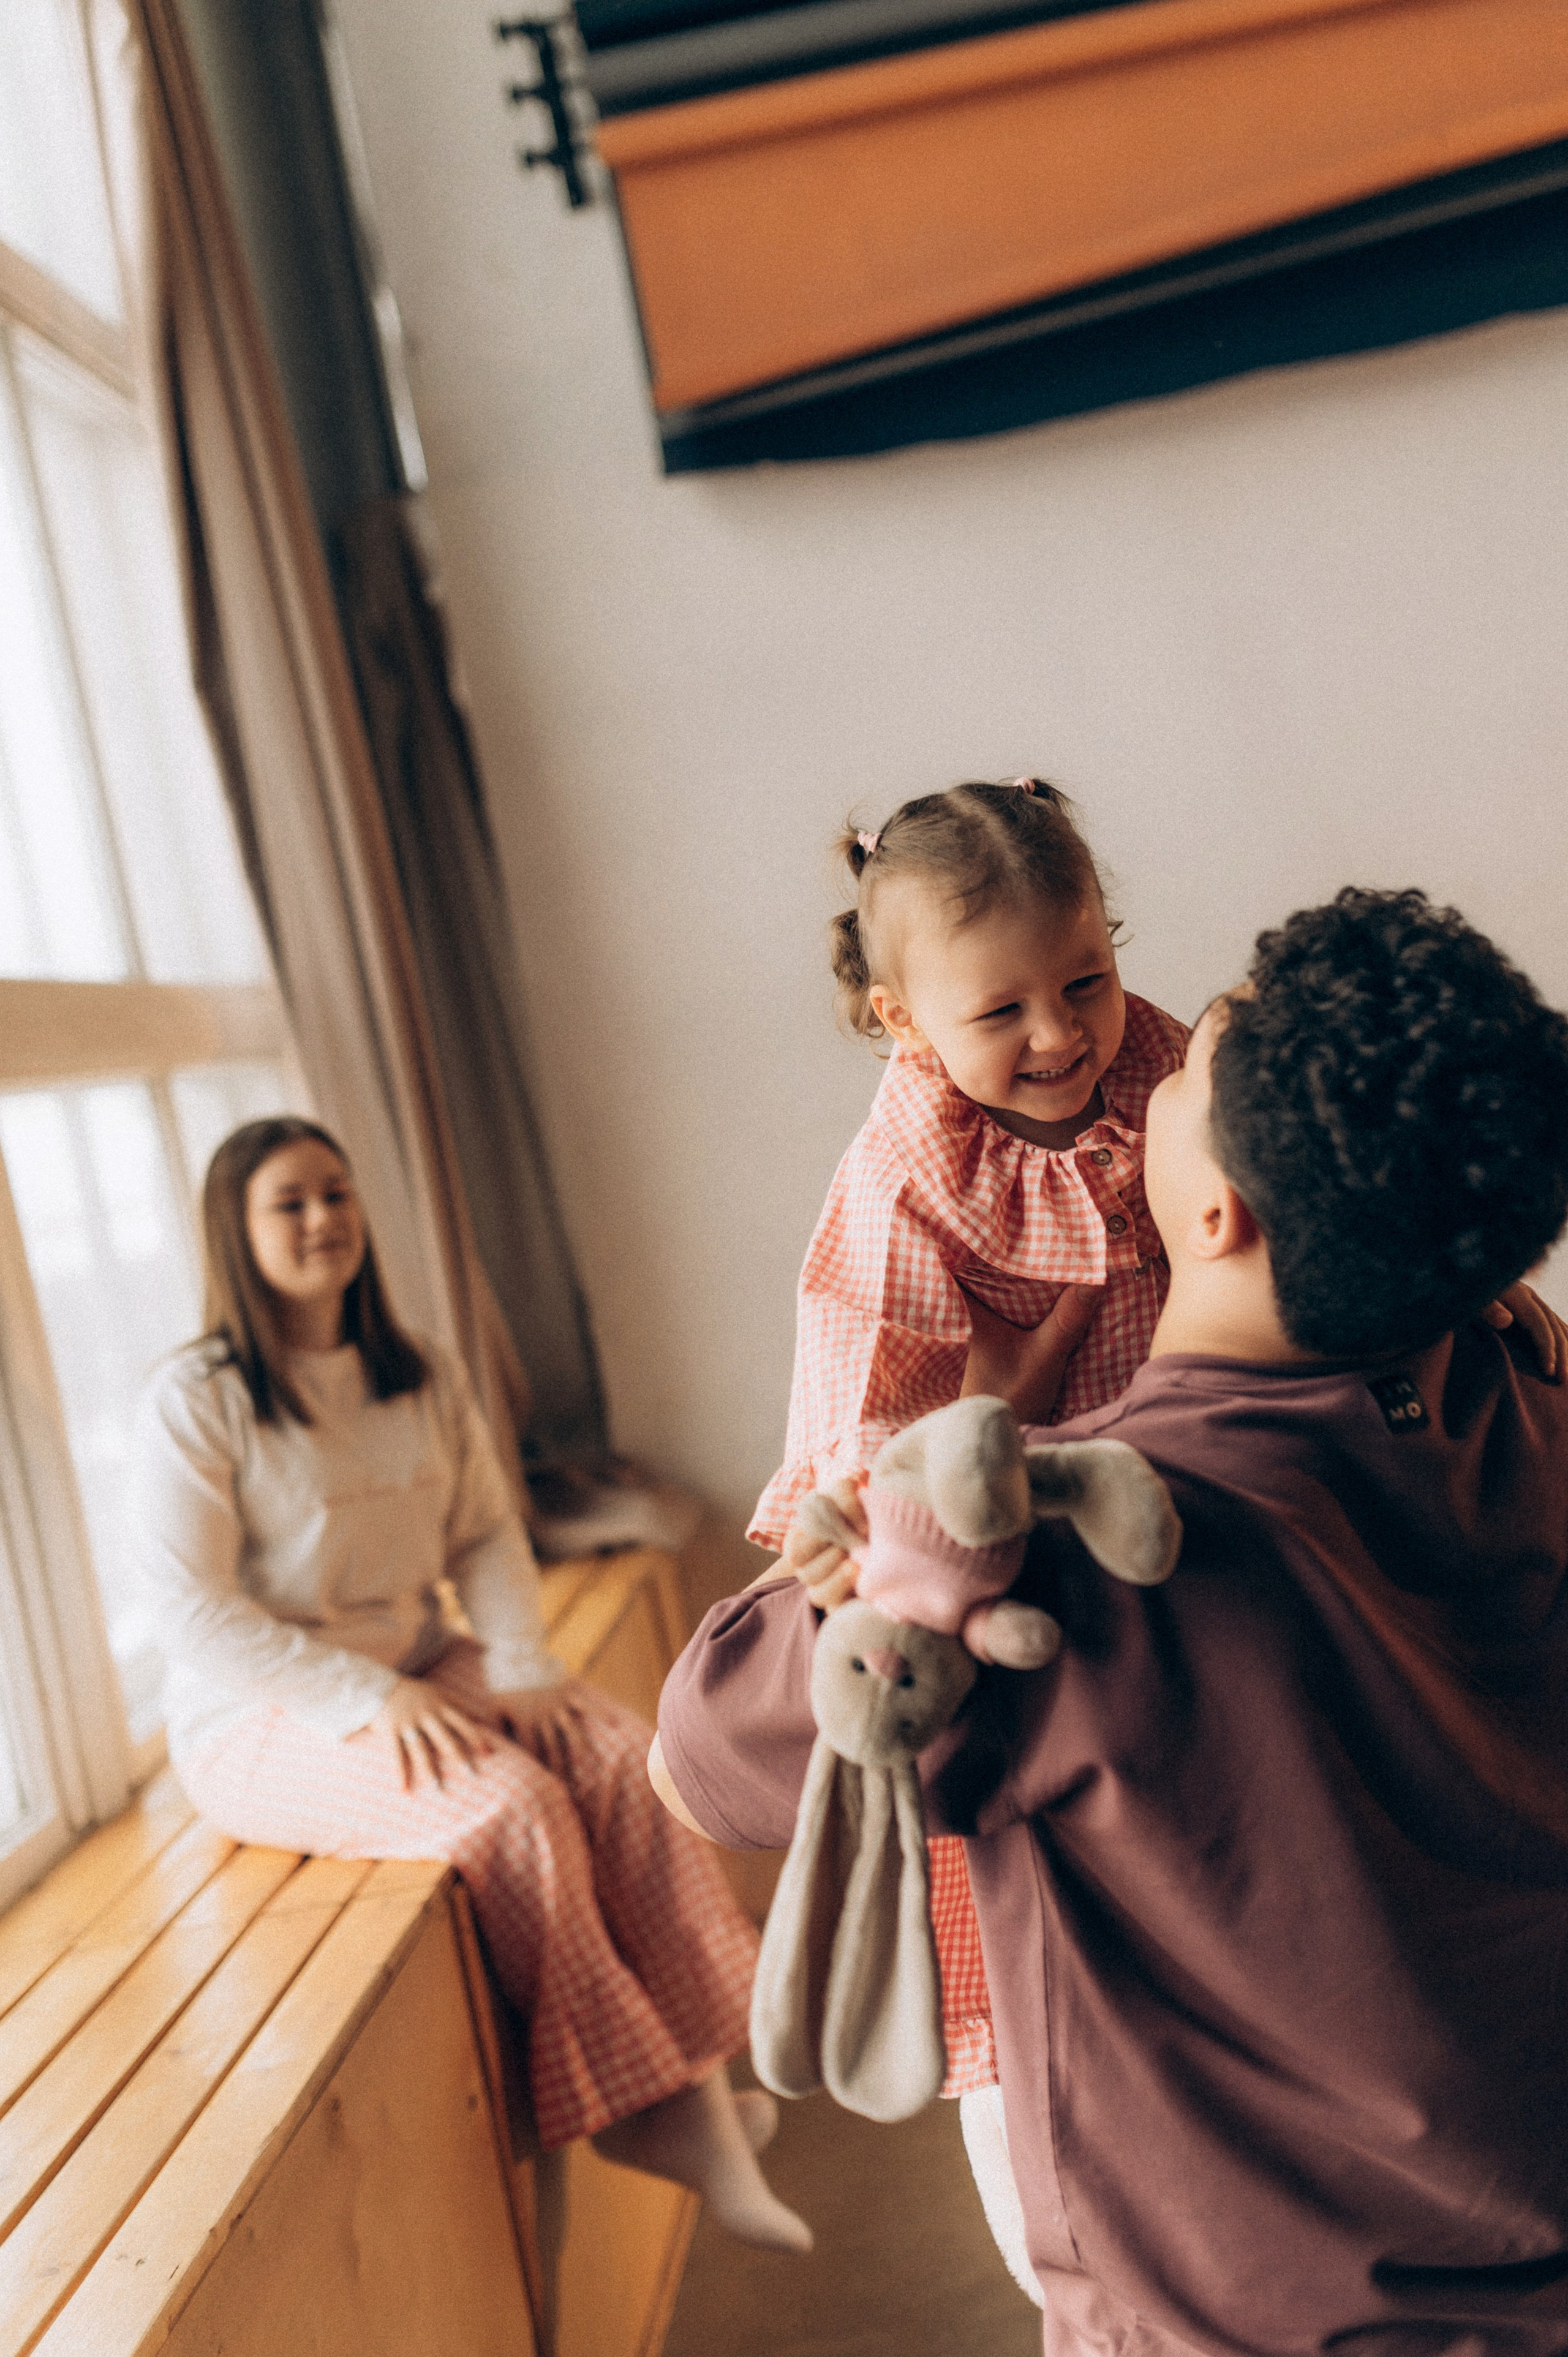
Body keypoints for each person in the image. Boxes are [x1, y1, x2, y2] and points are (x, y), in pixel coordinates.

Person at [655, 887, 1568, 2350]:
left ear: (1215, 1214)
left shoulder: (1062, 1560)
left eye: (1185, 1067)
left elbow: (700, 1753)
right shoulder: (1525, 1399)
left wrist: (943, 1455)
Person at [132, 1117, 810, 2253]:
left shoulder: (418, 1370)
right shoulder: (196, 1399)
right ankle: (647, 2118)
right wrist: (367, 1701)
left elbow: (488, 1535)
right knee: (515, 1812)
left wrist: (521, 1666)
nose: (323, 1219)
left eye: (337, 1193)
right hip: (260, 1714)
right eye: (290, 1203)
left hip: (409, 1656)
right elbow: (191, 1613)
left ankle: (695, 2092)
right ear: (234, 1234)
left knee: (618, 1760)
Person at [750, 775, 1189, 2113]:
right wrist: (872, 1517)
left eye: (1086, 978)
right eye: (1001, 1012)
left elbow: (1279, 1184)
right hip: (991, 1519)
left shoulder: (1158, 1063)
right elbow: (870, 1369)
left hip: (1169, 1476)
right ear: (904, 1019)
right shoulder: (910, 1170)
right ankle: (1023, 2060)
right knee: (1015, 1799)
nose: (1061, 1034)